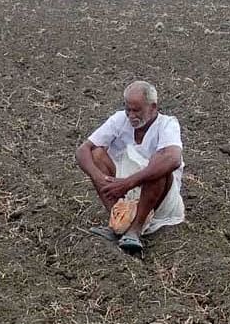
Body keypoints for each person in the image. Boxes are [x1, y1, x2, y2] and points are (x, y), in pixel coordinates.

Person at [75, 81, 185, 255]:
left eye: (137, 110)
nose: (131, 115)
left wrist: (127, 183)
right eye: (128, 110)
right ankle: (119, 222)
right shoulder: (120, 119)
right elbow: (83, 150)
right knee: (96, 154)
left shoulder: (167, 124)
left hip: (159, 196)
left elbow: (173, 159)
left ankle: (135, 229)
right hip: (123, 188)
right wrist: (99, 178)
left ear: (153, 107)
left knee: (159, 164)